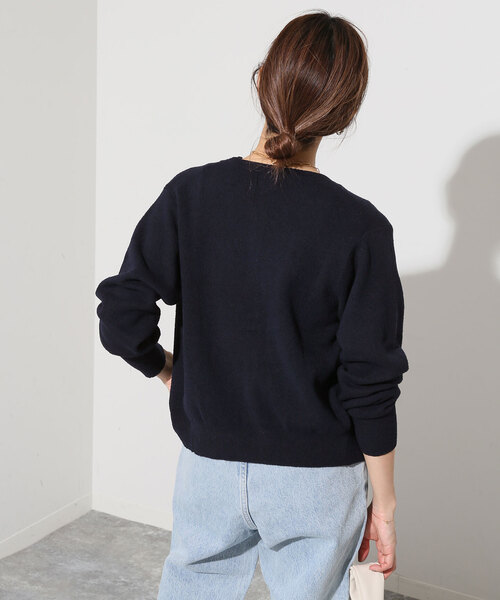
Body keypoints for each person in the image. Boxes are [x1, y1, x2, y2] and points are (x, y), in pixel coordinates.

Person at [95, 9, 409, 600]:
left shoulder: (191, 195)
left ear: (262, 80)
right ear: (344, 114)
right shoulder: (361, 227)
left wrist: (166, 370)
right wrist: (385, 505)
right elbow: (370, 378)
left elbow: (120, 317)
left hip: (208, 466)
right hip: (316, 477)